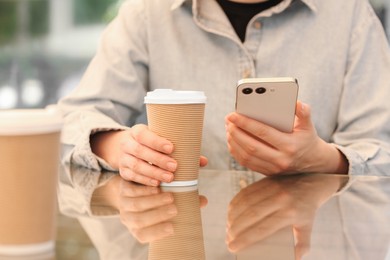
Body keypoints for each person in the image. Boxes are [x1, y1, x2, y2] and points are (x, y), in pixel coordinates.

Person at [58, 0, 390, 187]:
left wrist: (325, 160)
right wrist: (117, 146)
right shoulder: (147, 12)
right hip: (182, 237)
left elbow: (382, 150)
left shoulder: (350, 15)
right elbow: (70, 122)